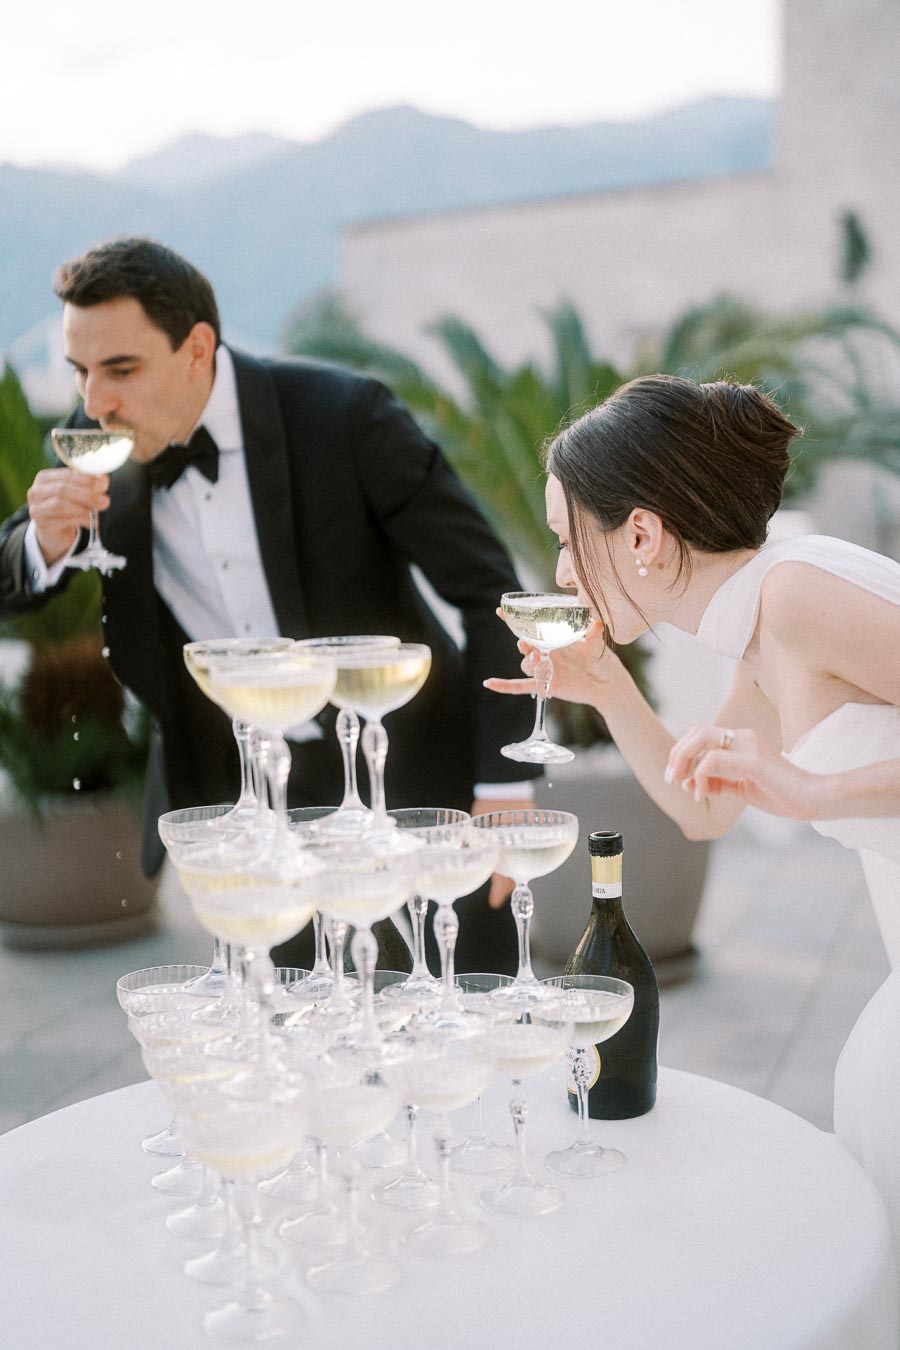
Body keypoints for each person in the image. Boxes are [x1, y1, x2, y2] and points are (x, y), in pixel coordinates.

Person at [0, 237, 539, 973]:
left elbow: (491, 590)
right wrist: (45, 541)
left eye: (121, 369)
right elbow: (13, 572)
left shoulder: (346, 417)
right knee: (286, 1045)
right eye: (81, 372)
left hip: (414, 781)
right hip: (252, 814)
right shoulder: (106, 444)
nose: (95, 402)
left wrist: (505, 783)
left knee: (459, 1014)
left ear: (197, 348)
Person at [485, 373, 900, 1262]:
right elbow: (700, 811)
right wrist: (606, 689)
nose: (560, 573)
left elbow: (792, 790)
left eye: (568, 540)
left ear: (640, 532)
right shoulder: (757, 634)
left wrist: (818, 793)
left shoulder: (798, 592)